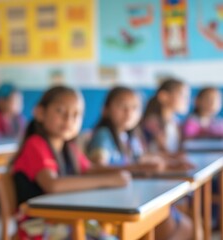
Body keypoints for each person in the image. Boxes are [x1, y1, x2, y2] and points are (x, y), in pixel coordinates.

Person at [11, 86, 131, 239]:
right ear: (40, 113)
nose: (69, 119)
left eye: (76, 114)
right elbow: (53, 185)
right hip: (38, 227)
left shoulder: (70, 147)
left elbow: (90, 169)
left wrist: (134, 169)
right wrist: (109, 180)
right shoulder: (36, 144)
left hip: (66, 220)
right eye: (60, 111)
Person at [87, 86, 193, 240]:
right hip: (113, 204)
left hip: (133, 198)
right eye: (122, 106)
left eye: (135, 108)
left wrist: (170, 164)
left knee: (186, 225)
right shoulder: (103, 135)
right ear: (106, 109)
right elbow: (96, 168)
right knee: (175, 225)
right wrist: (139, 167)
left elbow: (143, 159)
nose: (129, 112)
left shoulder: (130, 137)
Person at [141, 78, 191, 159]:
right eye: (182, 95)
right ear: (163, 96)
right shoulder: (153, 123)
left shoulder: (175, 122)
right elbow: (164, 152)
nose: (187, 101)